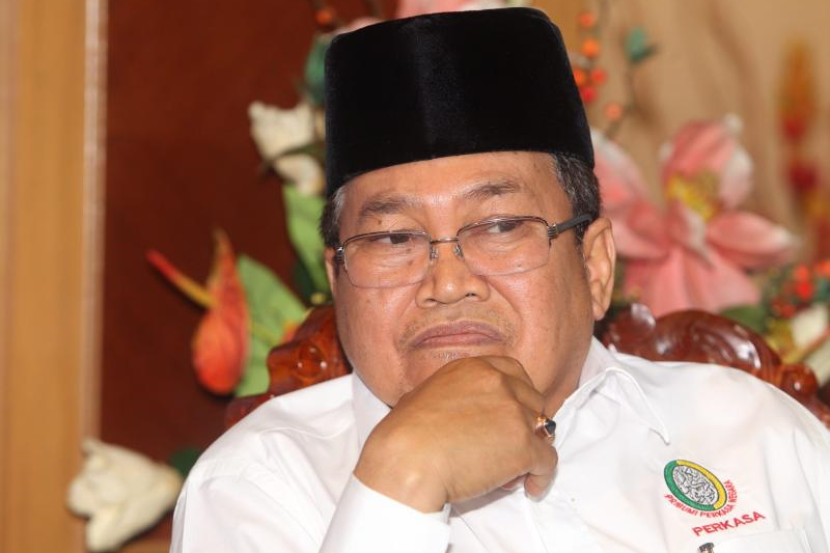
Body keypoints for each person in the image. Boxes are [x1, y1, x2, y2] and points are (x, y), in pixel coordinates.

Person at [171, 8, 830, 553]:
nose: (446, 282)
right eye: (393, 238)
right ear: (337, 275)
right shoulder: (256, 486)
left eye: (500, 226)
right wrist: (402, 478)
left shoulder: (753, 431)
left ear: (595, 265)